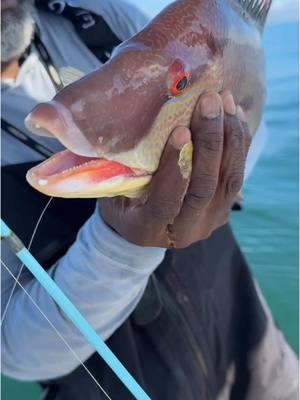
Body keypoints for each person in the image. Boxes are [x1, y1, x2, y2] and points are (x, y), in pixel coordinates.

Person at [1, 1, 298, 399]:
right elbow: (16, 353)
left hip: (251, 345)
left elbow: (242, 102)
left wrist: (222, 171)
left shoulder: (94, 15)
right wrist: (120, 243)